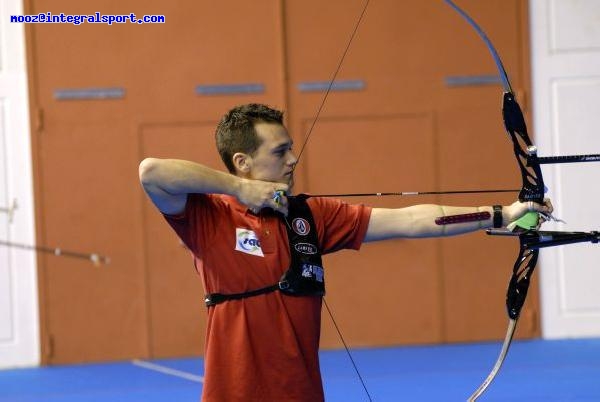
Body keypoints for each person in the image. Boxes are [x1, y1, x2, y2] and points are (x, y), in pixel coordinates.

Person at [138, 103, 553, 402]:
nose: (293, 159)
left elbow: (411, 220)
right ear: (242, 162)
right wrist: (240, 189)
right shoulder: (208, 216)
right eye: (280, 152)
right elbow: (152, 172)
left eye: (291, 148)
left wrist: (502, 214)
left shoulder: (310, 216)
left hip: (301, 393)